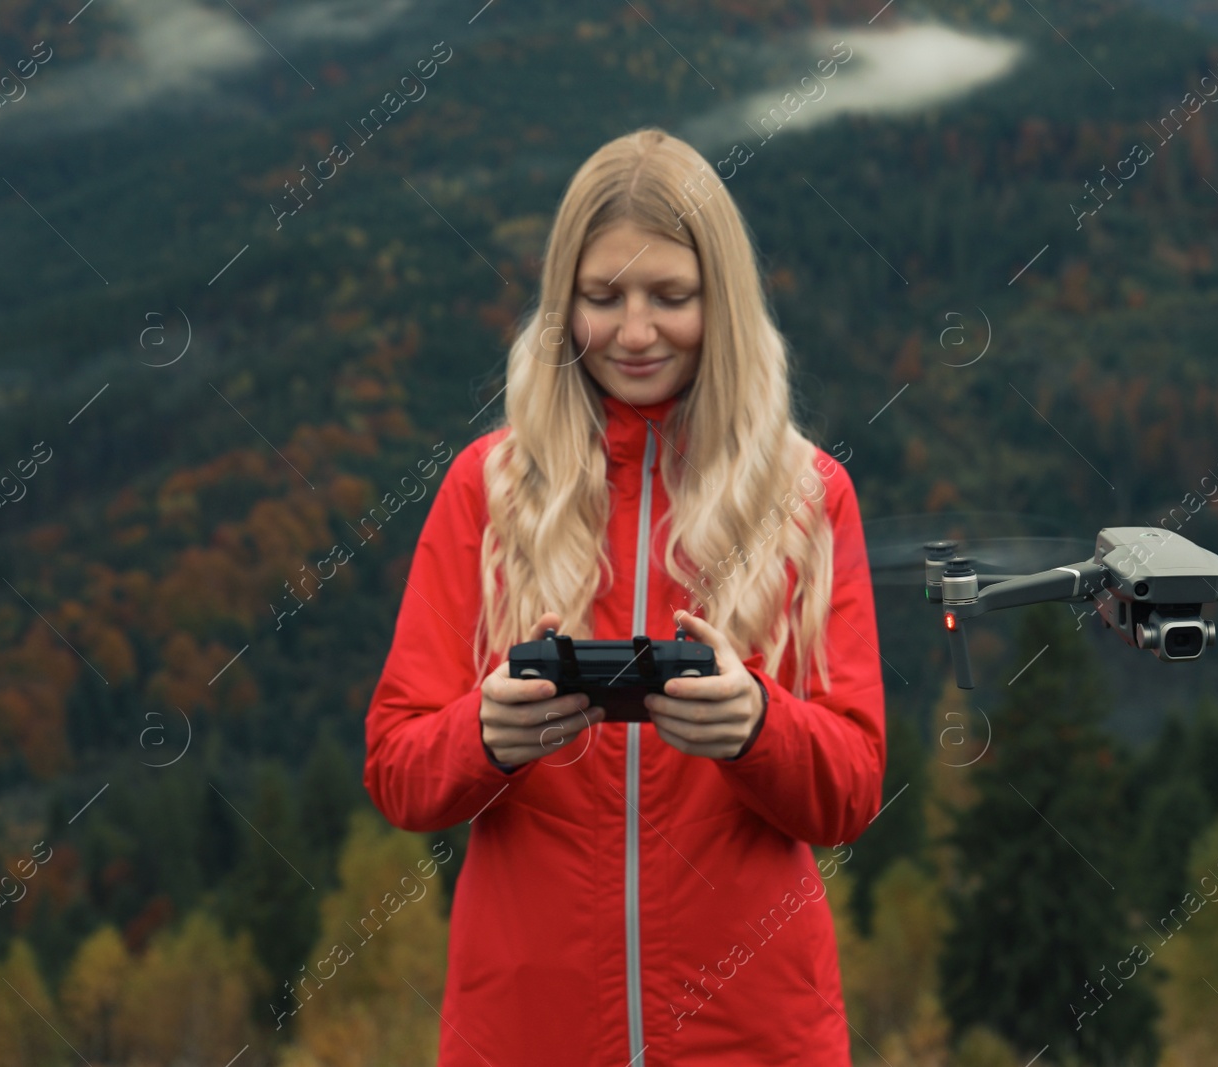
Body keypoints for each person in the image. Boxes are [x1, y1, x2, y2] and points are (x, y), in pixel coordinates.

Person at [363, 127, 887, 1066]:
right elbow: (397, 767)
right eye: (602, 298)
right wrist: (485, 735)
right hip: (524, 1035)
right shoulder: (486, 490)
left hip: (757, 1037)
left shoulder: (809, 496)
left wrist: (756, 727)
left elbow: (851, 789)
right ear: (562, 304)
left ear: (720, 301)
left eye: (671, 297)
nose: (635, 332)